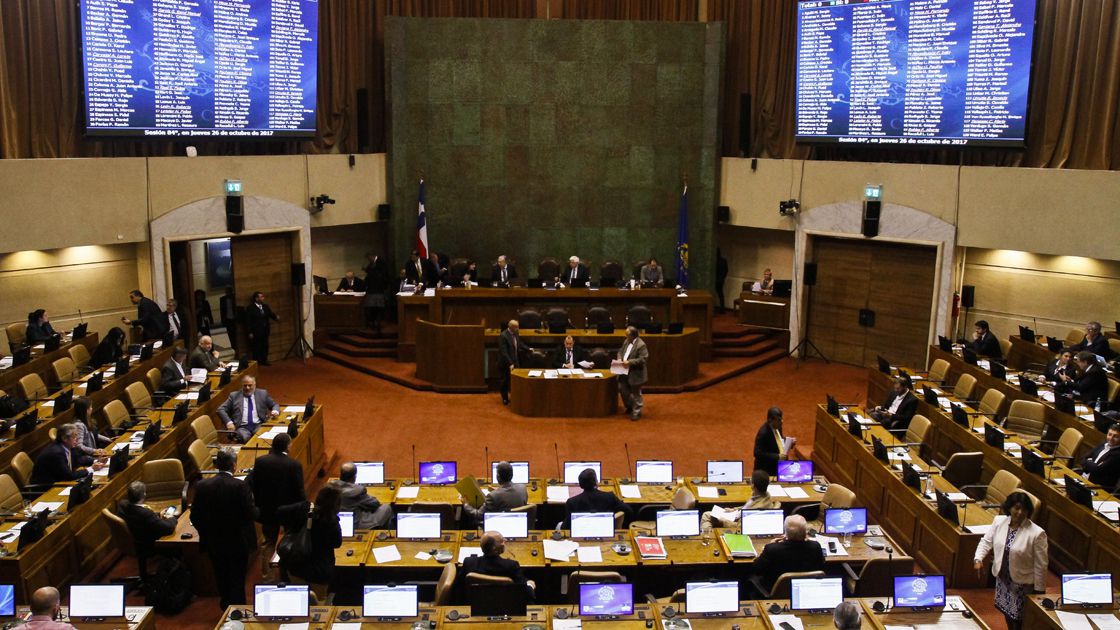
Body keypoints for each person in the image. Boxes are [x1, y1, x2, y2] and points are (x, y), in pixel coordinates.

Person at [191, 447, 258, 611]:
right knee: (237, 578)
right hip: (238, 541)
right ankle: (238, 611)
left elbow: (195, 516)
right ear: (234, 465)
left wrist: (206, 532)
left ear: (216, 465)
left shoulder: (202, 486)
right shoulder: (240, 486)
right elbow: (251, 514)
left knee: (221, 575)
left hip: (214, 542)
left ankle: (225, 607)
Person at [973, 492, 1048, 630]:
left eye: (1024, 509)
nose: (1020, 512)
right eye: (1017, 508)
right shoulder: (999, 521)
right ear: (1009, 507)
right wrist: (978, 559)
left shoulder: (1037, 533)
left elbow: (1041, 565)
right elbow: (986, 542)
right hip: (1003, 578)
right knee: (1007, 613)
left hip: (1022, 584)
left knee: (1019, 619)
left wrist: (1039, 591)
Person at [248, 432, 306, 582]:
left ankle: (267, 577)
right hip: (289, 509)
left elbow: (253, 483)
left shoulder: (261, 461)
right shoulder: (294, 465)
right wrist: (303, 507)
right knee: (291, 540)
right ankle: (287, 574)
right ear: (287, 446)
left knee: (268, 542)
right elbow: (299, 490)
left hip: (267, 510)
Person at [282, 485, 343, 602]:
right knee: (319, 605)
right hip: (319, 571)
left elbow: (281, 512)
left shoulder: (303, 508)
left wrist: (289, 528)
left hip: (296, 565)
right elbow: (337, 543)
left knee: (298, 601)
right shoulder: (331, 521)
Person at [751, 514, 825, 594]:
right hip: (805, 589)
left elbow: (757, 569)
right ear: (805, 531)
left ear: (785, 532)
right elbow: (821, 565)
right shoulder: (815, 546)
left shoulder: (772, 549)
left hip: (775, 590)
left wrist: (768, 548)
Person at [117, 481, 177, 575]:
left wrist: (157, 515)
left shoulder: (122, 505)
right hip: (148, 545)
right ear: (144, 495)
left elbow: (142, 518)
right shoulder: (145, 514)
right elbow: (168, 528)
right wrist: (172, 518)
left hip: (134, 540)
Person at [461, 531, 536, 601]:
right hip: (506, 605)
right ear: (495, 549)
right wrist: (530, 584)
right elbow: (524, 593)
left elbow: (459, 588)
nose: (505, 542)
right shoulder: (511, 566)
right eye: (502, 541)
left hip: (476, 604)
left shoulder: (468, 562)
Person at [701, 469, 779, 531]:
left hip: (737, 523)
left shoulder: (757, 509)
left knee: (706, 516)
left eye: (751, 480)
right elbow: (747, 506)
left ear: (753, 485)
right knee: (708, 514)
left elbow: (740, 527)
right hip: (736, 515)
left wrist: (723, 521)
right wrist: (734, 510)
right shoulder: (765, 494)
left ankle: (708, 536)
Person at [30, 423, 99, 486]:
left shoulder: (68, 446)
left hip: (59, 481)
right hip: (46, 488)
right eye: (74, 437)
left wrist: (96, 461)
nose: (77, 439)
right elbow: (69, 476)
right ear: (64, 438)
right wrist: (90, 469)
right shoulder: (56, 453)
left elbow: (79, 459)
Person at [462, 461, 528, 525]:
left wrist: (466, 504)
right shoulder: (522, 488)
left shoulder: (493, 496)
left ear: (498, 477)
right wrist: (498, 490)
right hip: (519, 525)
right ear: (512, 475)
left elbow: (479, 515)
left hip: (499, 526)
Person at [217, 374, 280, 442]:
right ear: (242, 386)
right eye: (245, 385)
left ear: (255, 385)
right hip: (242, 427)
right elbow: (221, 409)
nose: (247, 388)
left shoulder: (262, 394)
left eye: (250, 385)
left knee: (262, 437)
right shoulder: (234, 396)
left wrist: (275, 411)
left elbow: (274, 405)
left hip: (258, 425)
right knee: (244, 438)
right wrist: (229, 423)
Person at [331, 462, 393, 529]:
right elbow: (375, 504)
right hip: (356, 524)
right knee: (387, 507)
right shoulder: (357, 491)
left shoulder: (330, 487)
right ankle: (381, 533)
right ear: (354, 477)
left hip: (335, 521)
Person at [564, 468, 630, 529]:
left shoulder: (572, 502)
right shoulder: (610, 497)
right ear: (596, 482)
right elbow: (628, 510)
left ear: (580, 485)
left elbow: (566, 527)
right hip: (605, 529)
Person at [617, 326, 648, 421]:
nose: (625, 336)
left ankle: (636, 412)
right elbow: (620, 351)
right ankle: (630, 406)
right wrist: (619, 358)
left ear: (632, 336)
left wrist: (629, 362)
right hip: (623, 371)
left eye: (627, 335)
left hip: (635, 373)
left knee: (636, 393)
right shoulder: (626, 341)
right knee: (622, 389)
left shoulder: (641, 345)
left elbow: (643, 359)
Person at [754, 406, 794, 476]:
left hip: (778, 466)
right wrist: (777, 457)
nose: (782, 422)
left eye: (781, 419)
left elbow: (778, 440)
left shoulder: (778, 426)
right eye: (778, 420)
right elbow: (757, 453)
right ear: (770, 420)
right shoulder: (763, 433)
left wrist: (789, 442)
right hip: (766, 470)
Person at [1081, 422, 1120, 488]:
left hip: (1097, 486)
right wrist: (1091, 463)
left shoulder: (1117, 454)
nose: (1111, 438)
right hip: (1084, 478)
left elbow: (1097, 470)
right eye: (1109, 434)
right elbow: (1082, 459)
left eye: (1115, 436)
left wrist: (1088, 462)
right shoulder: (1103, 444)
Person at [245, 291, 279, 365]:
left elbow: (270, 314)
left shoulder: (265, 306)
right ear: (256, 298)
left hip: (265, 330)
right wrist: (250, 332)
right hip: (256, 331)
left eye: (263, 297)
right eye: (260, 297)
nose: (262, 298)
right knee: (256, 347)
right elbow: (248, 321)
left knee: (265, 346)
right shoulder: (250, 308)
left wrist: (276, 317)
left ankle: (264, 360)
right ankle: (257, 362)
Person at [362, 252, 389, 333]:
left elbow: (382, 274)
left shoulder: (381, 262)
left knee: (378, 308)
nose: (368, 260)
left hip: (378, 289)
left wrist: (366, 270)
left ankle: (378, 323)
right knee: (372, 308)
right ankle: (374, 323)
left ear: (372, 256)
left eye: (369, 258)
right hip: (372, 290)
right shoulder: (371, 264)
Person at [498, 319, 522, 405]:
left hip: (515, 360)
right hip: (506, 363)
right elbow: (504, 352)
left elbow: (519, 344)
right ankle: (505, 398)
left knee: (516, 380)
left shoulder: (515, 333)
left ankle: (515, 397)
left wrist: (529, 349)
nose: (518, 329)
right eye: (517, 327)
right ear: (511, 327)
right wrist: (510, 363)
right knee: (505, 381)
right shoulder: (503, 336)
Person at [219, 286, 238, 353]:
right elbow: (222, 311)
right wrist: (223, 321)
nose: (228, 292)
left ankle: (237, 347)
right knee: (230, 335)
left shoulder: (235, 298)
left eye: (229, 291)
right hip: (228, 319)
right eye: (226, 291)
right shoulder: (222, 299)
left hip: (235, 319)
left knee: (236, 334)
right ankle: (233, 347)